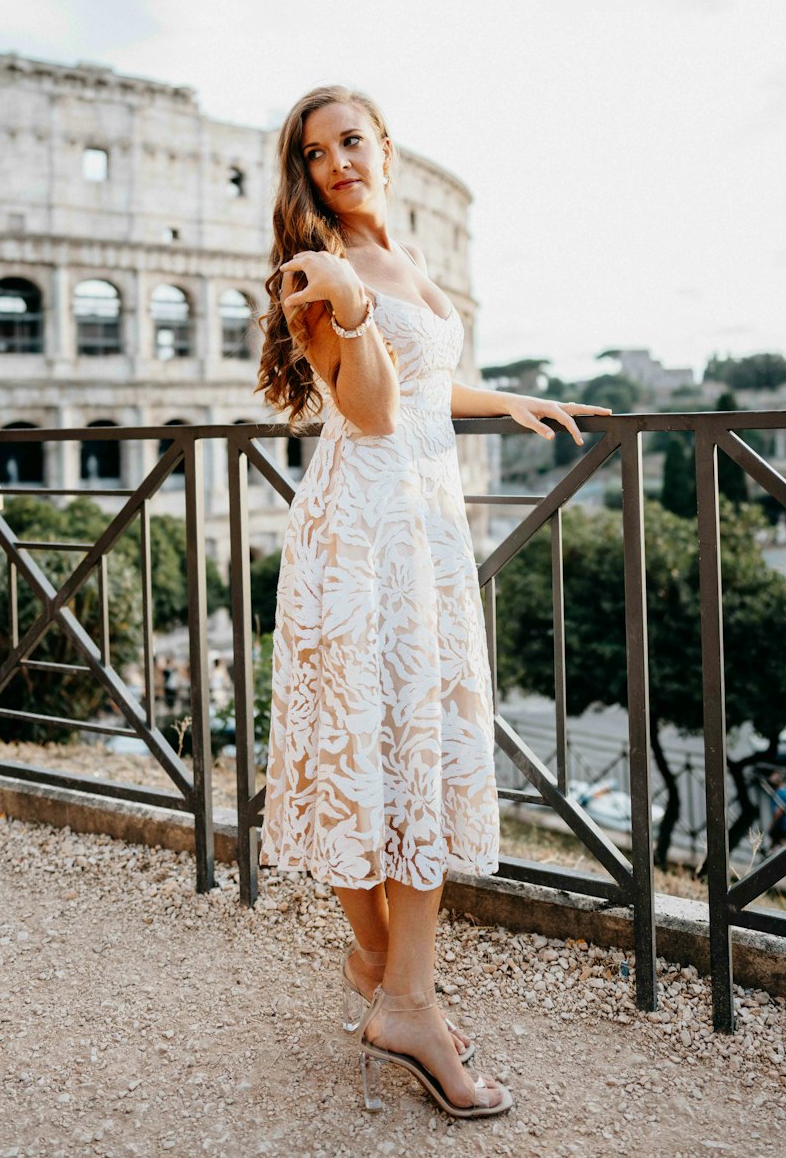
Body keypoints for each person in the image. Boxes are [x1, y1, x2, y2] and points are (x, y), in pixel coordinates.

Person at [255, 84, 612, 1119]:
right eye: (315, 153)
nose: (336, 163)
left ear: (386, 150)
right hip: (363, 533)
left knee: (390, 746)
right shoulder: (316, 272)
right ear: (304, 174)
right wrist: (348, 305)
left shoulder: (400, 261)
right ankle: (403, 996)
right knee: (396, 752)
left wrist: (497, 399)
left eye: (351, 141)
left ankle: (379, 971)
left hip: (420, 532)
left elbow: (418, 378)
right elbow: (363, 407)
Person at [767, 770, 786, 848]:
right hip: (784, 824)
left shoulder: (783, 793)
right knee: (776, 842)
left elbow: (780, 811)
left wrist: (772, 824)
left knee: (779, 841)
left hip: (782, 824)